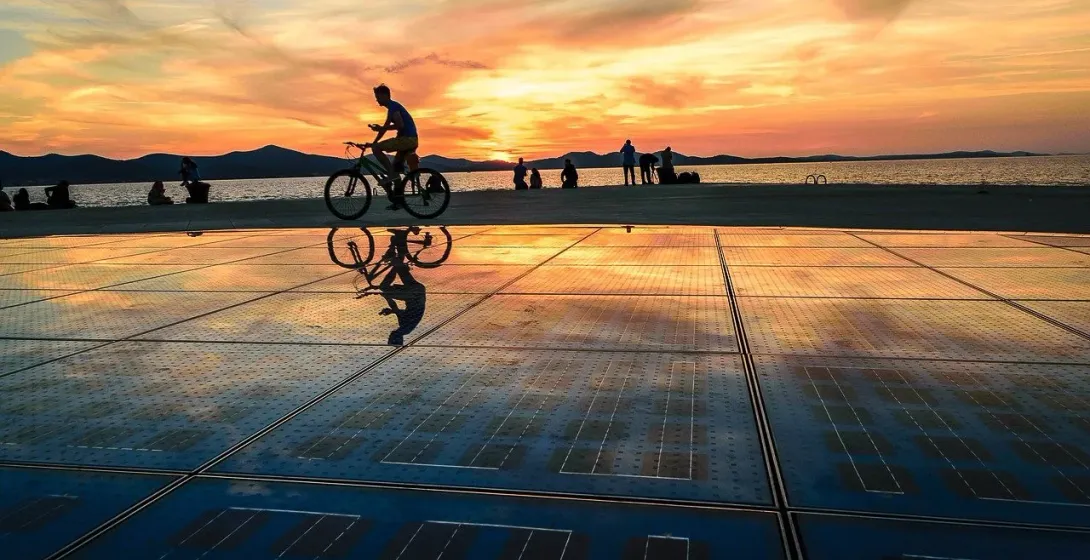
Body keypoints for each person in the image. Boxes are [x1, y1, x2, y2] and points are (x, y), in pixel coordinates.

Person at [367, 84, 419, 208]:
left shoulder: (393, 107)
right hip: (410, 140)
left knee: (377, 150)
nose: (377, 100)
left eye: (378, 97)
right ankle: (398, 201)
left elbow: (400, 125)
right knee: (395, 169)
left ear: (385, 96)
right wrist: (374, 141)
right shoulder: (392, 109)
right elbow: (383, 129)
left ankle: (391, 175)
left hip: (407, 140)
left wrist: (376, 144)